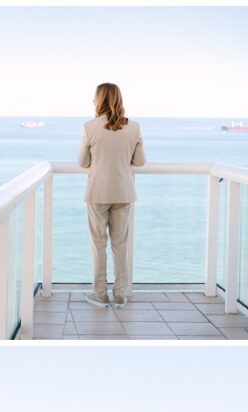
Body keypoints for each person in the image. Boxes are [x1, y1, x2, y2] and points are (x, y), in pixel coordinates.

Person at [77, 83, 147, 308]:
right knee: (120, 244)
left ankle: (100, 294)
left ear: (99, 100)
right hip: (123, 192)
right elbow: (140, 161)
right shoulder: (134, 128)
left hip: (97, 192)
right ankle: (120, 293)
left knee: (98, 245)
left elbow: (82, 162)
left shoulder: (90, 127)